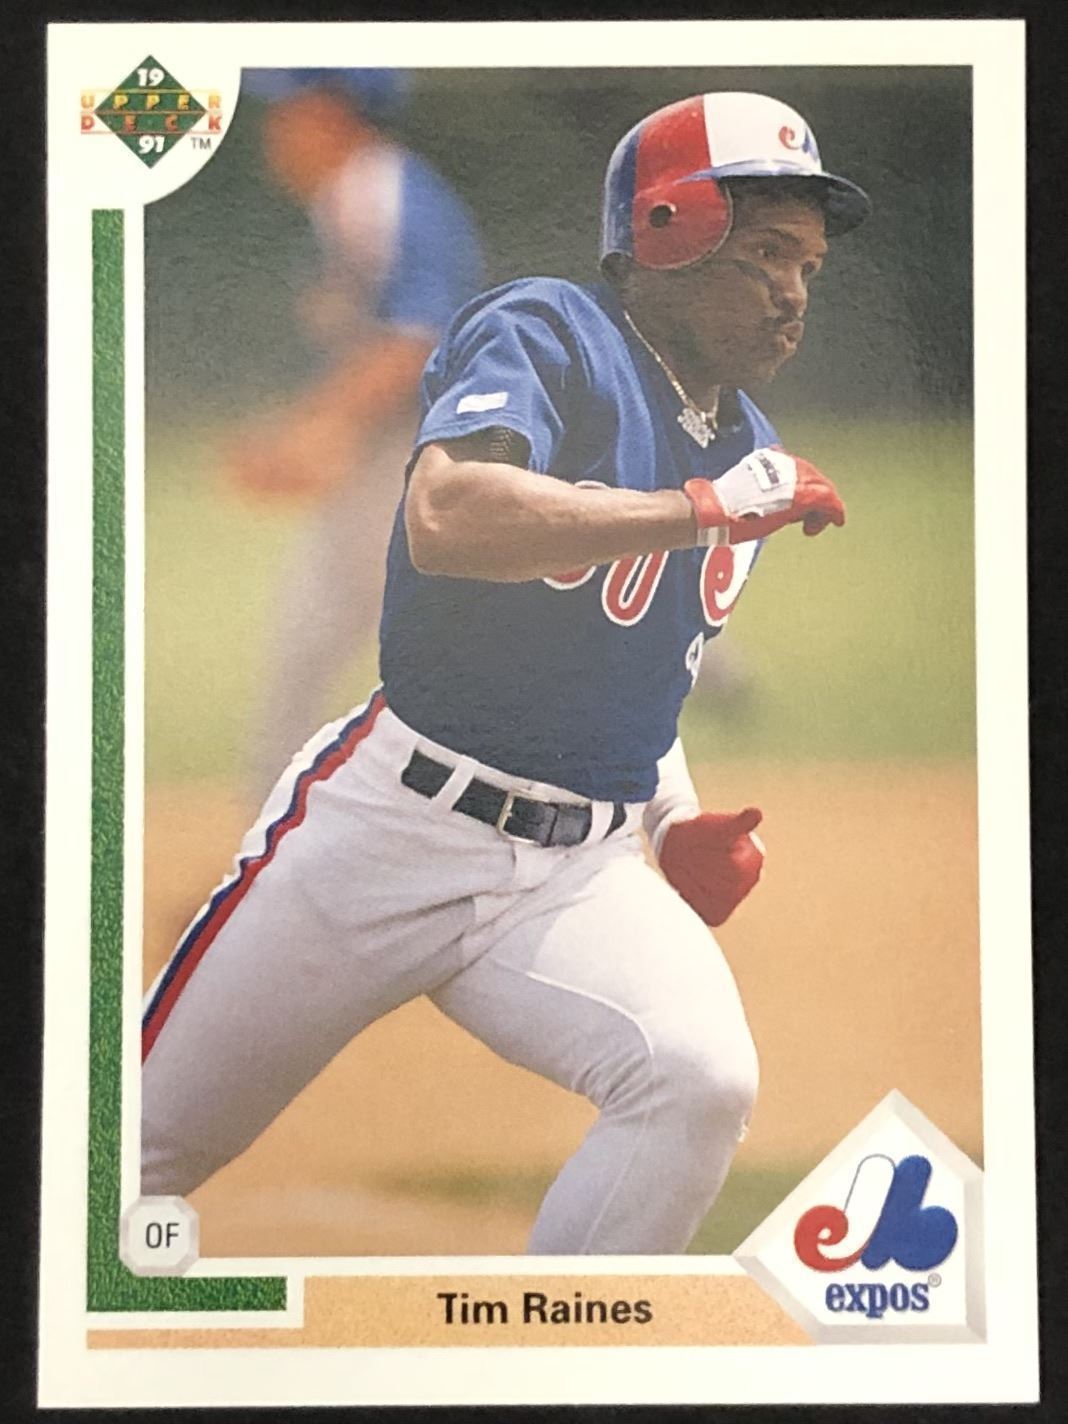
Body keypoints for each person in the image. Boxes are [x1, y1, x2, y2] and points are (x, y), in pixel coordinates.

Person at [142, 91, 870, 1255]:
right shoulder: (547, 331)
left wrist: (672, 820)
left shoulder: (748, 447)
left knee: (698, 1079)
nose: (795, 290)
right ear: (671, 227)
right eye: (770, 253)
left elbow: (637, 669)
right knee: (128, 1149)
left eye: (810, 266)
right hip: (385, 831)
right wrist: (698, 511)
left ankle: (556, 1342)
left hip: (575, 869)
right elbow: (448, 515)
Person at [226, 69, 484, 795]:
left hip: (429, 454)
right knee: (336, 635)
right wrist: (312, 424)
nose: (274, 129)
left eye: (289, 109)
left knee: (335, 637)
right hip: (416, 451)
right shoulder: (354, 197)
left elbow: (413, 340)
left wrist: (317, 429)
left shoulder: (384, 195)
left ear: (332, 115)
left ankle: (274, 826)